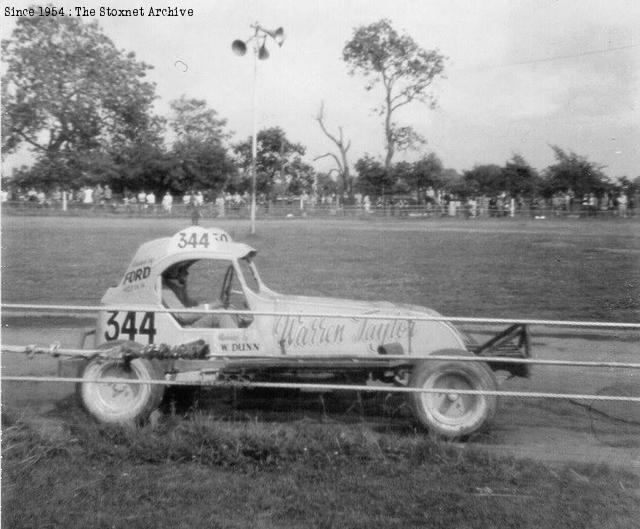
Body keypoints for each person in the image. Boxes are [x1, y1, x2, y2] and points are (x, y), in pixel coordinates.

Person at [161, 262, 236, 328]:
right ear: (173, 273)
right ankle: (237, 341)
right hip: (183, 329)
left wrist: (214, 306)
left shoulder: (173, 288)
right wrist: (211, 306)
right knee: (219, 314)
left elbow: (190, 305)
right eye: (183, 270)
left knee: (229, 310)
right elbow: (183, 315)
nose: (187, 273)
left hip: (185, 325)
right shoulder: (164, 290)